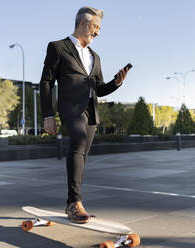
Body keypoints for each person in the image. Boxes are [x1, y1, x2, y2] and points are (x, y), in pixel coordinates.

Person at [39, 6, 129, 224]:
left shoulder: (94, 57)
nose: (98, 32)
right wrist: (47, 115)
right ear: (83, 23)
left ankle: (73, 201)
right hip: (70, 108)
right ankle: (74, 202)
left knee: (82, 154)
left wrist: (116, 83)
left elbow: (99, 88)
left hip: (91, 110)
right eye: (96, 26)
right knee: (78, 142)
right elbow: (46, 82)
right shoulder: (58, 48)